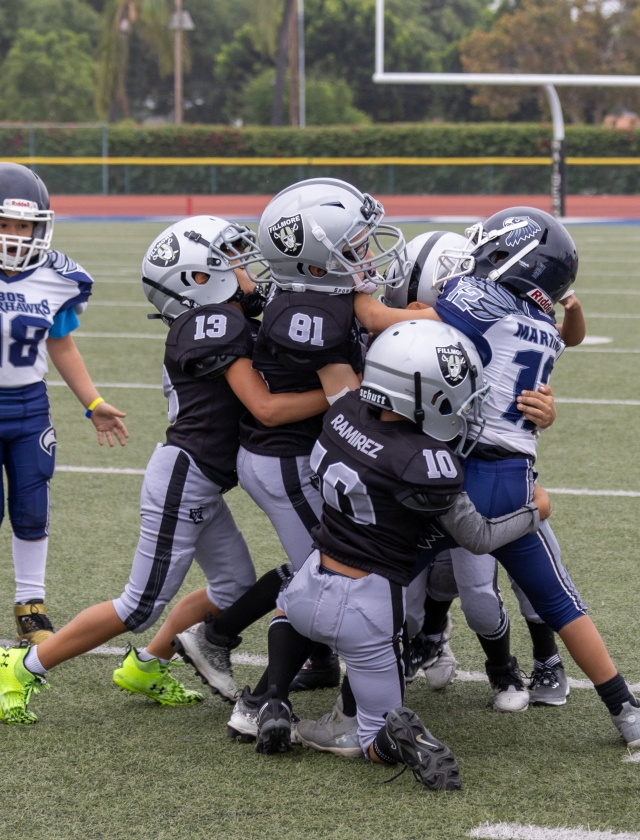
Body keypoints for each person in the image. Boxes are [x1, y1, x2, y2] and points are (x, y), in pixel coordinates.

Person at [0, 215, 328, 725]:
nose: (247, 268)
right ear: (200, 278)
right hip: (185, 477)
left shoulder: (216, 318)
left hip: (198, 479)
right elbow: (264, 409)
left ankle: (148, 664)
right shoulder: (206, 323)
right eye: (233, 258)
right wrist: (344, 390)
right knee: (138, 604)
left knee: (235, 587)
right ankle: (23, 666)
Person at [357, 207, 640, 749]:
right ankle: (624, 706)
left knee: (373, 574)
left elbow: (380, 323)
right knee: (561, 601)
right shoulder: (539, 328)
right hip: (515, 476)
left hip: (460, 474)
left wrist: (344, 290)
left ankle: (349, 709)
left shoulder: (478, 299)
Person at [251, 319, 552, 791]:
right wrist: (535, 512)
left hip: (312, 582)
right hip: (368, 609)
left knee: (286, 610)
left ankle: (272, 698)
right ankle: (402, 742)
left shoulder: (344, 411)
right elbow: (476, 536)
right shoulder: (425, 461)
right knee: (370, 736)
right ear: (424, 395)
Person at [191, 178, 408, 728]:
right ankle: (254, 694)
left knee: (317, 567)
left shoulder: (321, 297)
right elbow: (346, 402)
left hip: (293, 456)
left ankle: (294, 659)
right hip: (284, 458)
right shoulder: (313, 312)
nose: (366, 255)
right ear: (315, 263)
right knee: (328, 573)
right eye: (353, 247)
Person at [388, 227, 578, 710]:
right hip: (422, 474)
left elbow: (538, 362)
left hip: (485, 472)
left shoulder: (494, 312)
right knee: (412, 582)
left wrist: (545, 411)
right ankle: (424, 638)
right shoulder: (401, 332)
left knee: (506, 576)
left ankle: (538, 660)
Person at [0, 162, 128, 647]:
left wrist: (92, 402)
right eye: (4, 224)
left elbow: (61, 344)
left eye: (23, 225)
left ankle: (30, 607)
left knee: (32, 507)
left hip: (30, 407)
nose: (14, 235)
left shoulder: (57, 278)